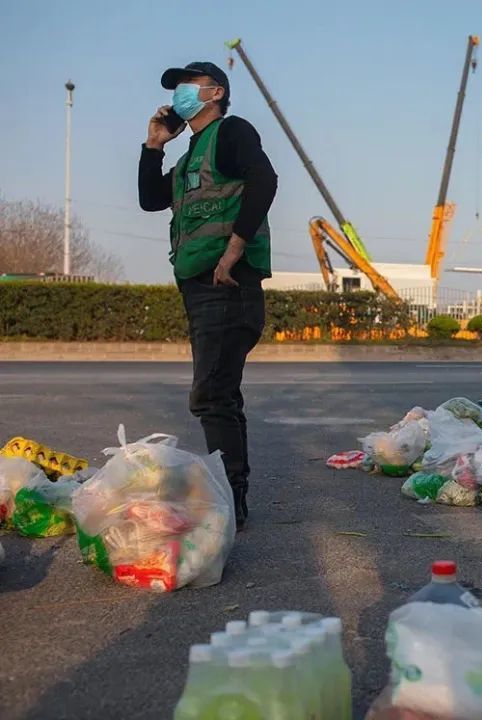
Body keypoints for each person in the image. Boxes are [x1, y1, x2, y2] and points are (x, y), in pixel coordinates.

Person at [138, 61, 277, 529]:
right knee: (220, 393)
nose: (178, 93)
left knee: (212, 395)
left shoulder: (231, 131)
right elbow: (150, 200)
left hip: (228, 286)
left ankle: (228, 501)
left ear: (214, 92)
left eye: (187, 85)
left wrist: (234, 249)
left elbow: (266, 179)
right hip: (200, 289)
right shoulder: (190, 156)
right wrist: (155, 145)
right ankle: (231, 495)